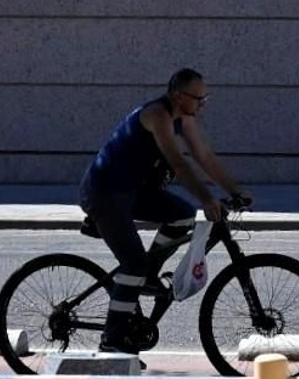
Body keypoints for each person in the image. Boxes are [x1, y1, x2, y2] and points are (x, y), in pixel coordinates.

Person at [77, 68, 251, 356]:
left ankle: (147, 275)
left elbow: (204, 157)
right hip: (105, 192)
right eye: (199, 98)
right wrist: (207, 199)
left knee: (182, 214)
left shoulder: (184, 118)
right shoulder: (157, 115)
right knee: (132, 263)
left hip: (133, 191)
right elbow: (181, 165)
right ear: (180, 96)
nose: (202, 104)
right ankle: (112, 340)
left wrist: (235, 191)